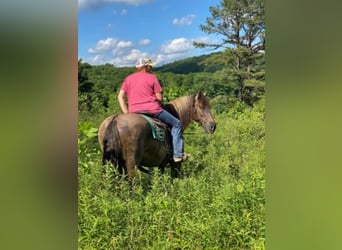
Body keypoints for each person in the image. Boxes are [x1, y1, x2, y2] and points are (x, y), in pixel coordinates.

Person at [117, 58, 188, 162]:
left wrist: (126, 113)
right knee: (177, 124)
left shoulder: (128, 79)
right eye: (150, 66)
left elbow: (120, 97)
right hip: (153, 110)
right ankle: (178, 154)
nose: (151, 68)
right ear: (145, 67)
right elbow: (159, 98)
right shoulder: (152, 78)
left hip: (134, 112)